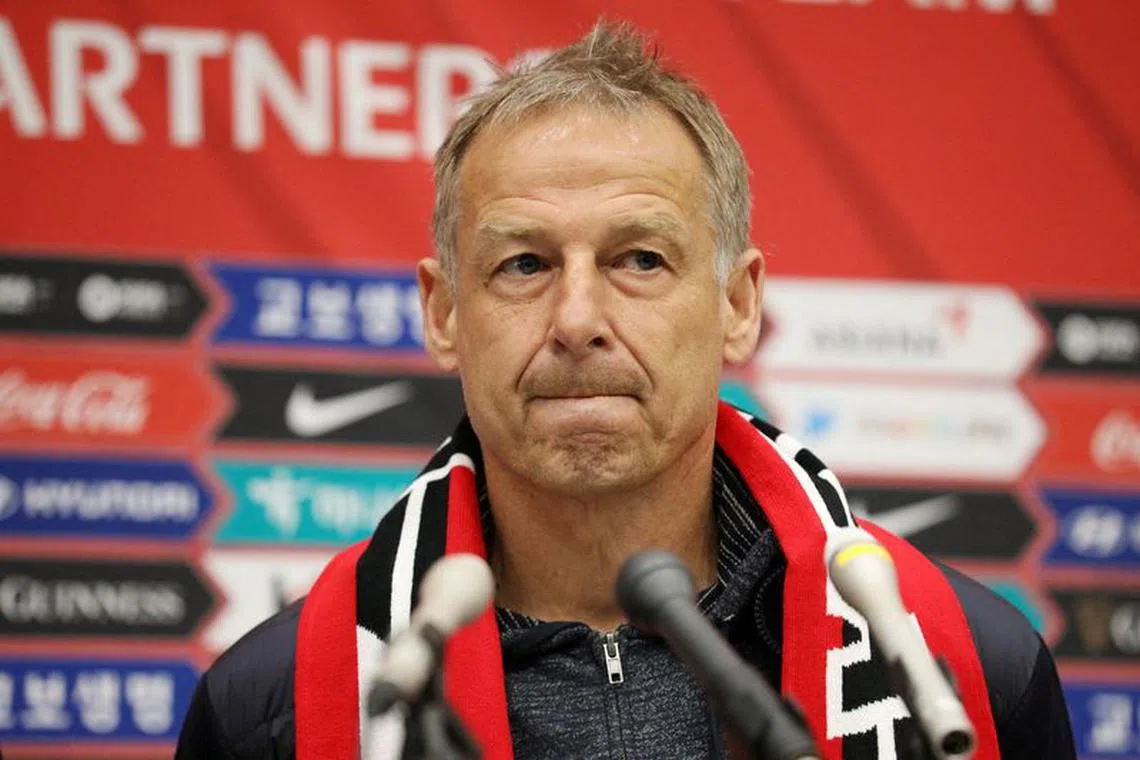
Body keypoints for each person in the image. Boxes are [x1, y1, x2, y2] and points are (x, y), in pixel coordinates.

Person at [176, 20, 1075, 760]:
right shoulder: (272, 707)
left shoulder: (965, 669)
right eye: (523, 263)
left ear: (737, 303)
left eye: (639, 259)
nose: (577, 319)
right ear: (444, 312)